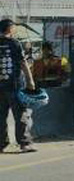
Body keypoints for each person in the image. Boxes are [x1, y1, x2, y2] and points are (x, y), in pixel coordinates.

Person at [0, 18, 38, 153]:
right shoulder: (14, 43)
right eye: (14, 27)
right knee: (21, 114)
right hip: (14, 85)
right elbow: (23, 63)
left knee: (0, 116)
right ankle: (24, 143)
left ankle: (1, 144)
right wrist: (30, 81)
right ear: (10, 28)